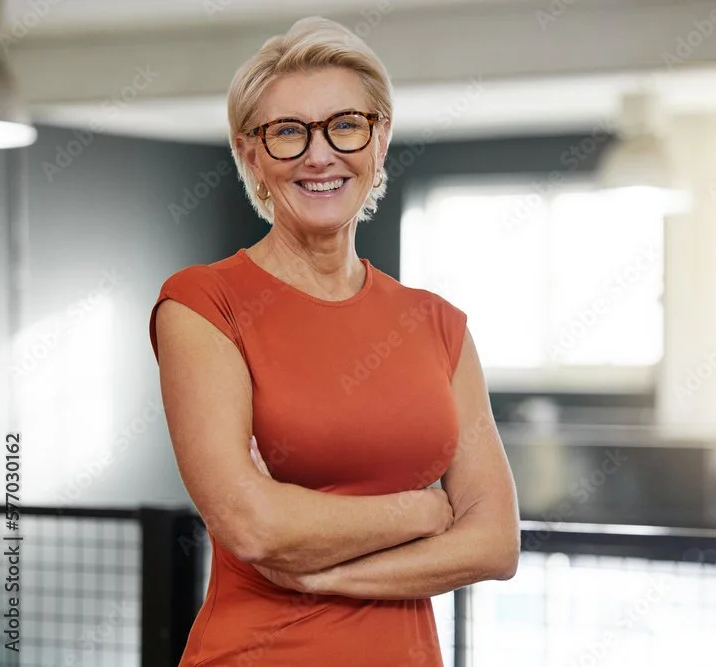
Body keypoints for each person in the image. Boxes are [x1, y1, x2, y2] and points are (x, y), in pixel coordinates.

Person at [148, 16, 520, 666]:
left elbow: (493, 543)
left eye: (344, 125)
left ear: (379, 140)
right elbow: (253, 524)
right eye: (288, 132)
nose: (319, 155)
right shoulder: (204, 303)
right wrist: (424, 512)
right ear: (250, 155)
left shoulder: (439, 325)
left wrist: (320, 574)